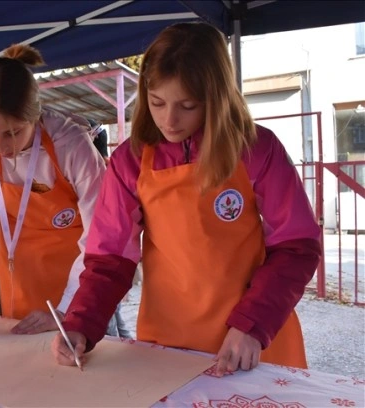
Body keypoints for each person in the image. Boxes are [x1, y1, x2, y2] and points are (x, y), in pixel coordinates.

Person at [52, 22, 321, 375]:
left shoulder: (256, 149)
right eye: (157, 102)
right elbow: (110, 259)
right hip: (168, 341)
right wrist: (81, 321)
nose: (170, 120)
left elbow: (296, 247)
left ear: (216, 98)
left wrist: (253, 325)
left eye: (188, 105)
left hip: (249, 338)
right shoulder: (129, 161)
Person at [0, 44, 108, 337]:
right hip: (20, 286)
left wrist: (68, 308)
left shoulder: (71, 146)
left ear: (35, 116)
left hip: (79, 288)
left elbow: (99, 238)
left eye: (13, 132)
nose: (1, 146)